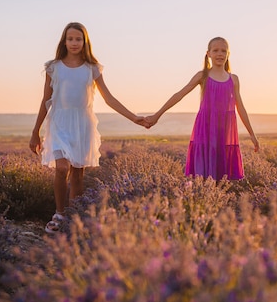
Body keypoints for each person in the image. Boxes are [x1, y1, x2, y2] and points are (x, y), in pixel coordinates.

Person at [29, 22, 149, 233]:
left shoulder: (91, 69)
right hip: (59, 123)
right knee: (62, 168)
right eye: (70, 39)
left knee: (77, 174)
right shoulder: (53, 67)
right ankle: (58, 213)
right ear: (63, 41)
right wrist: (35, 132)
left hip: (83, 124)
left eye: (78, 39)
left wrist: (133, 117)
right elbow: (45, 101)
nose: (74, 43)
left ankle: (72, 218)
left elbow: (109, 99)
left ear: (85, 42)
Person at [145, 37, 259, 181]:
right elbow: (179, 95)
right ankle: (202, 199)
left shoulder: (234, 79)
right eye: (215, 50)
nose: (220, 54)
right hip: (205, 127)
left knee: (221, 175)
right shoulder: (203, 76)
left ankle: (217, 201)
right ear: (208, 53)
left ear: (228, 54)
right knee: (203, 175)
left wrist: (252, 134)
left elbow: (240, 107)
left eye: (223, 51)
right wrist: (157, 115)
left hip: (224, 129)